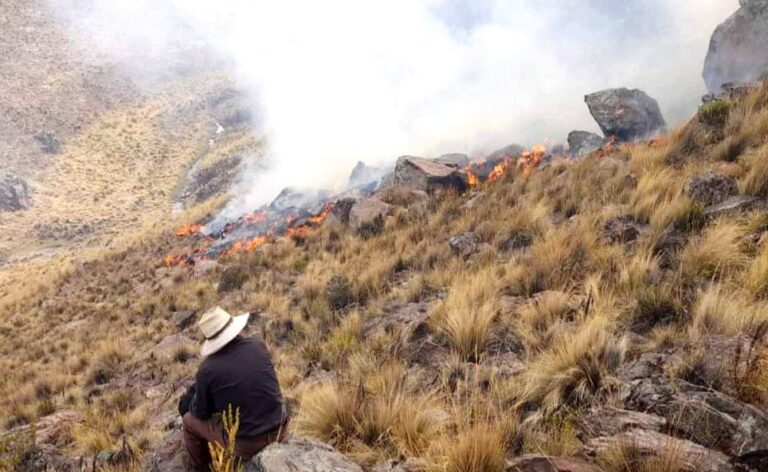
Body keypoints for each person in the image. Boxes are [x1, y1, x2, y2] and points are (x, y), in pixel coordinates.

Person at [179, 307, 288, 471]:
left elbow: (201, 413)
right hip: (281, 428)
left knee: (189, 422)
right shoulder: (258, 345)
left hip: (248, 444)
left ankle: (201, 469)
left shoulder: (208, 369)